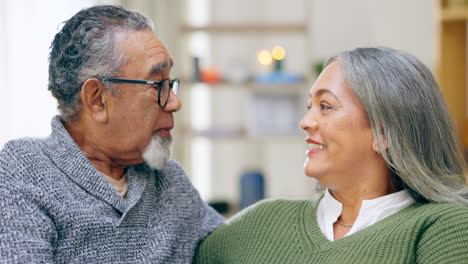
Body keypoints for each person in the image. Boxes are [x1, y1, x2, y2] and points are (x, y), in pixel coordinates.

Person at [194, 47, 468, 263]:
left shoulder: (442, 228)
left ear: (384, 132)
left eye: (325, 106)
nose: (305, 121)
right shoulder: (262, 220)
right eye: (309, 106)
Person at [0, 5, 224, 263]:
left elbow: (234, 245)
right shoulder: (24, 170)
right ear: (97, 100)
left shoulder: (170, 182)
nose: (174, 102)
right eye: (158, 85)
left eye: (171, 84)